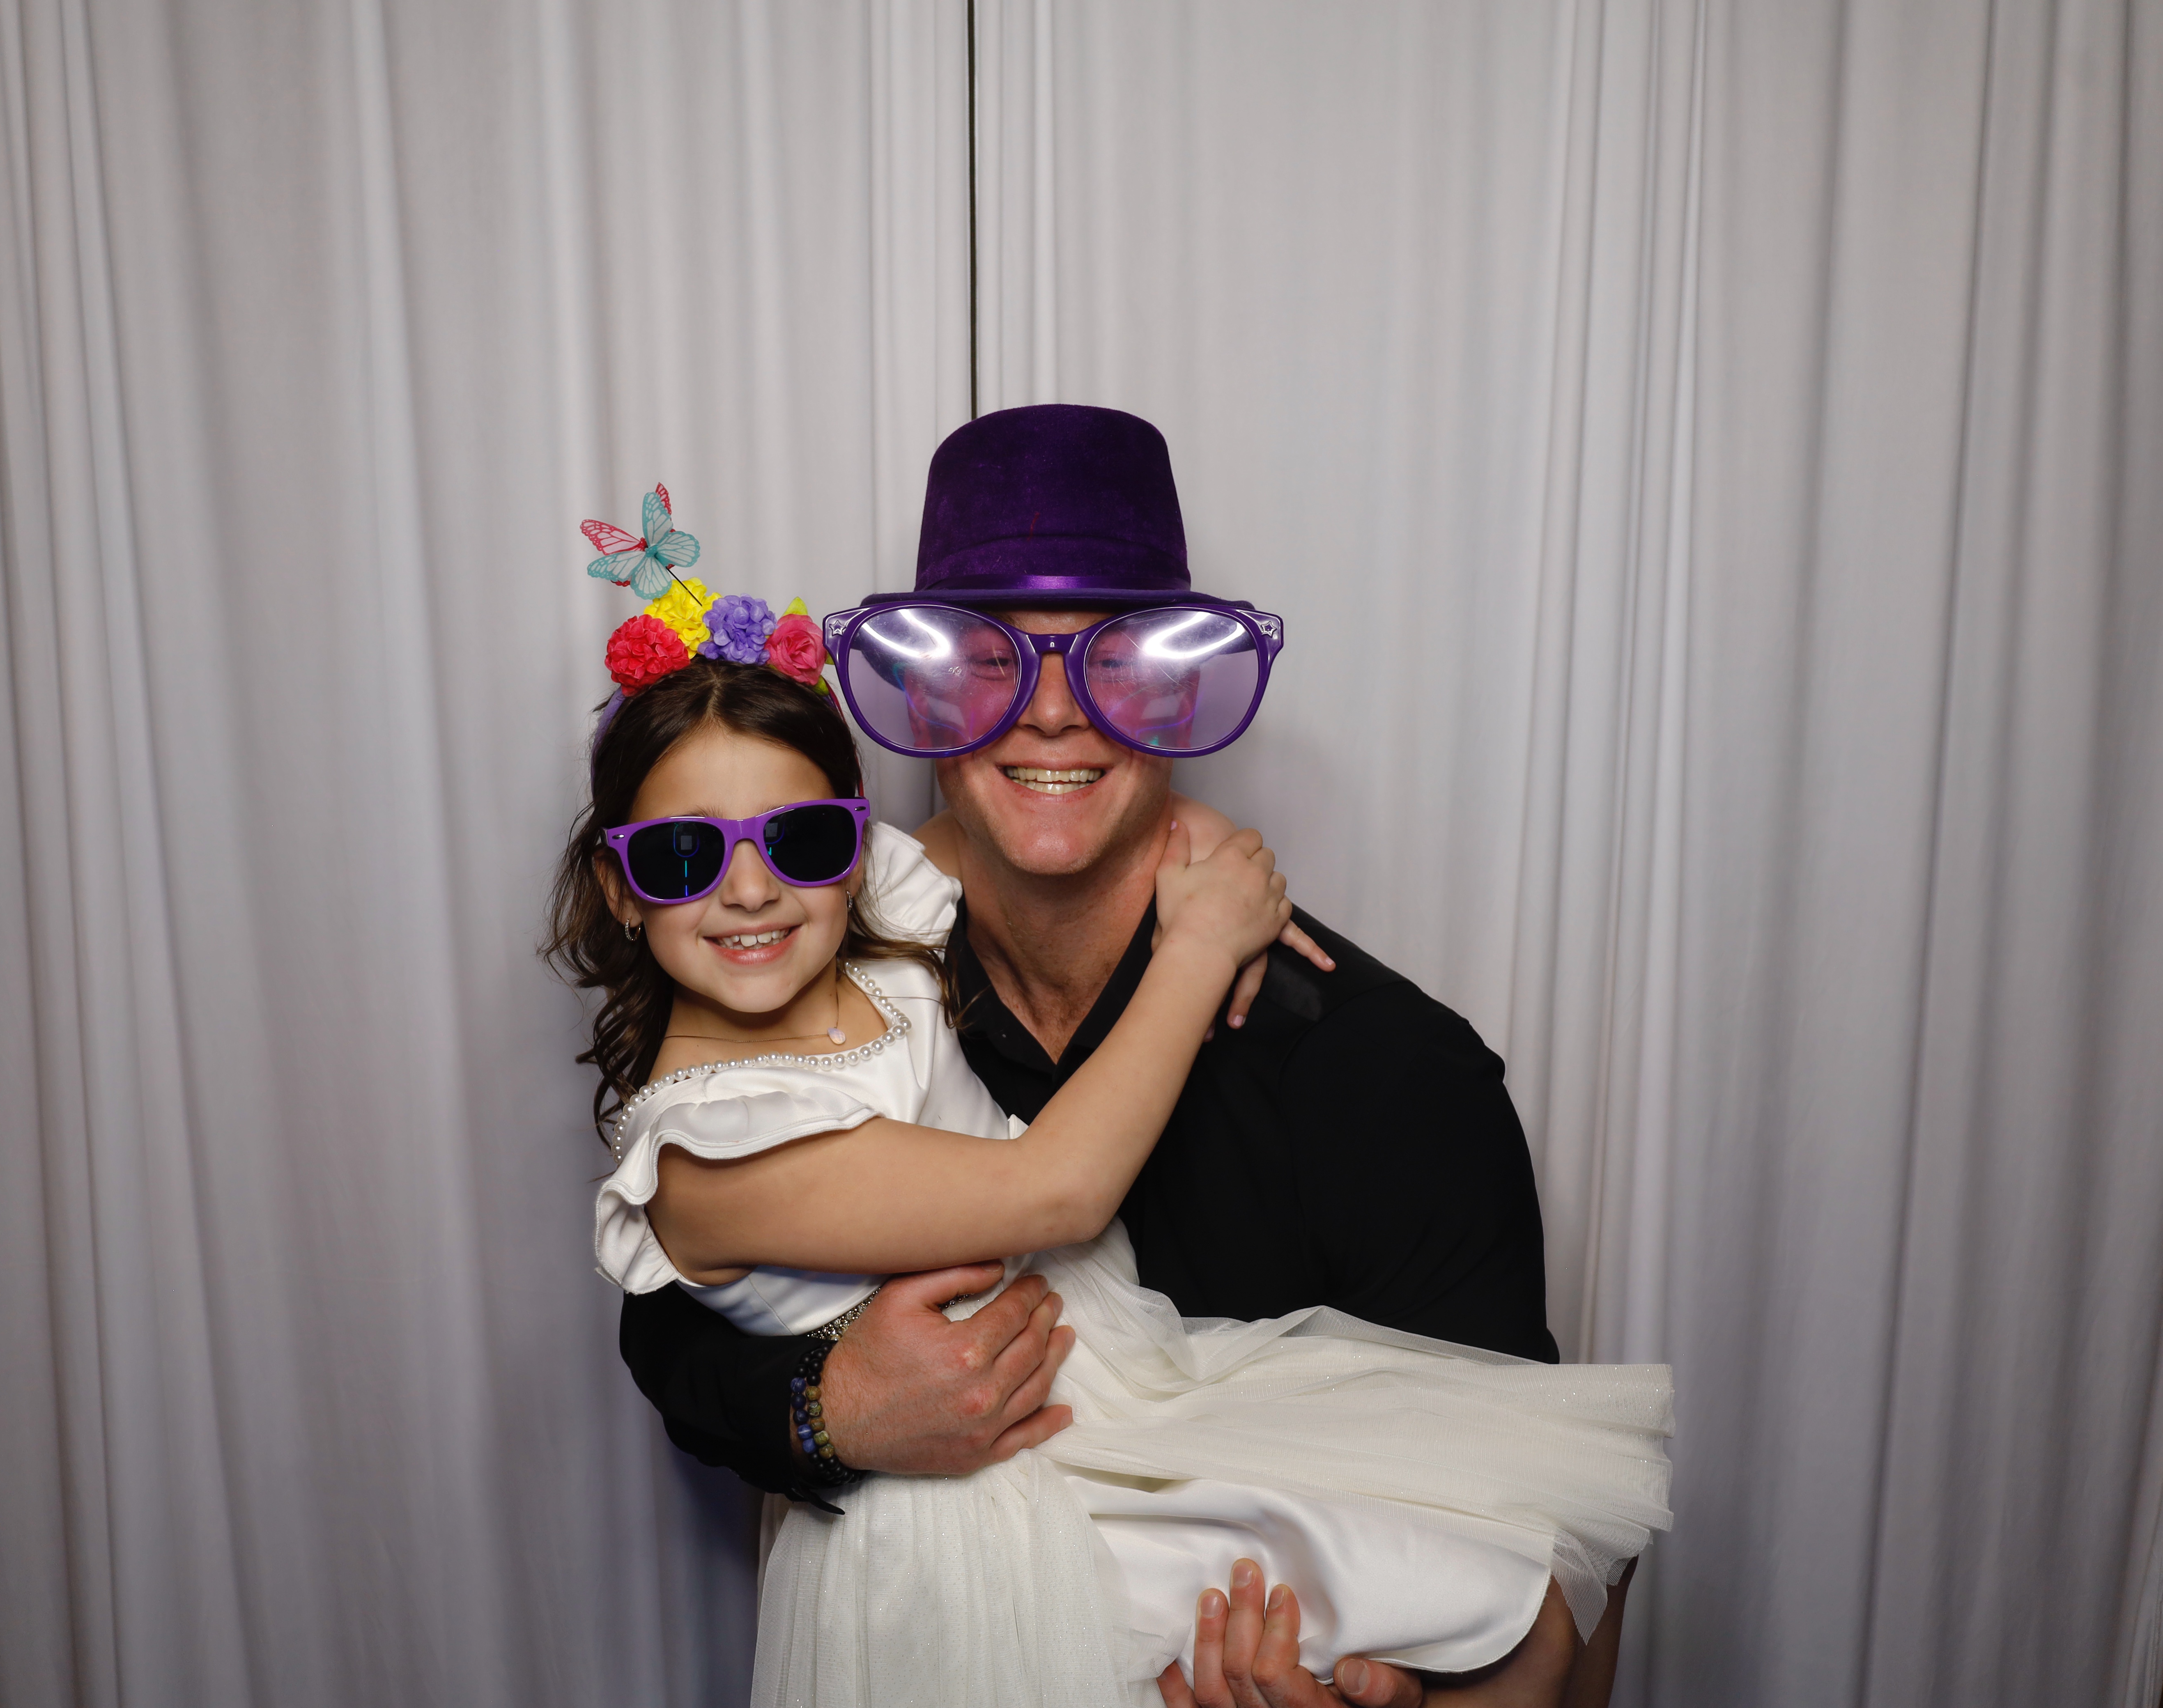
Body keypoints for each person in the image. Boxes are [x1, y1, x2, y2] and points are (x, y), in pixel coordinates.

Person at [594, 407, 1673, 1705]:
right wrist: (829, 1413)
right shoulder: (852, 976)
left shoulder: (1391, 1077)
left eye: (1114, 664)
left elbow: (1546, 1556)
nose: (1053, 714)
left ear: (1180, 695)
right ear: (925, 697)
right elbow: (679, 1339)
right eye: (991, 663)